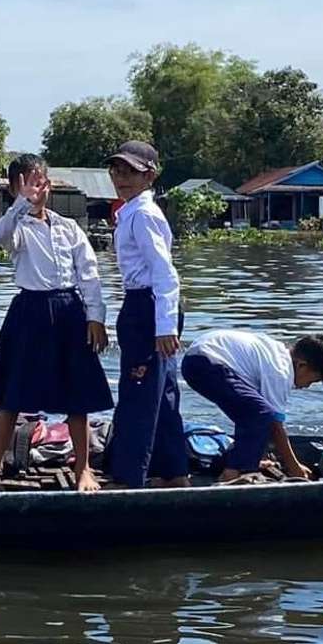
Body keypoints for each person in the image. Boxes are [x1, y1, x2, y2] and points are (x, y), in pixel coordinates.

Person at [0, 154, 110, 491]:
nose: (35, 189)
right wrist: (21, 203)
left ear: (49, 186)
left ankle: (83, 468)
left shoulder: (68, 227)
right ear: (14, 189)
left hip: (69, 310)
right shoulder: (16, 228)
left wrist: (95, 317)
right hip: (29, 311)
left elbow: (90, 275)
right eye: (26, 183)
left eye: (40, 182)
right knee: (11, 394)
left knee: (77, 395)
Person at [103, 140, 188, 488]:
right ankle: (174, 473)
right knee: (163, 393)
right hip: (143, 305)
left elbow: (165, 272)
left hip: (149, 306)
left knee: (139, 392)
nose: (121, 178)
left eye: (130, 171)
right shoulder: (131, 211)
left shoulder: (142, 214)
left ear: (149, 175)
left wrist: (164, 326)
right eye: (117, 170)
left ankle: (130, 479)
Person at [181, 330, 323, 483]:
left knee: (252, 413)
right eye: (312, 381)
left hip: (199, 359)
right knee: (262, 415)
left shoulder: (277, 354)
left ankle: (247, 462)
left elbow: (252, 418)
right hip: (207, 362)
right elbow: (274, 426)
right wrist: (294, 467)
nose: (307, 386)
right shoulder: (281, 371)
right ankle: (233, 473)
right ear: (301, 366)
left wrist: (257, 454)